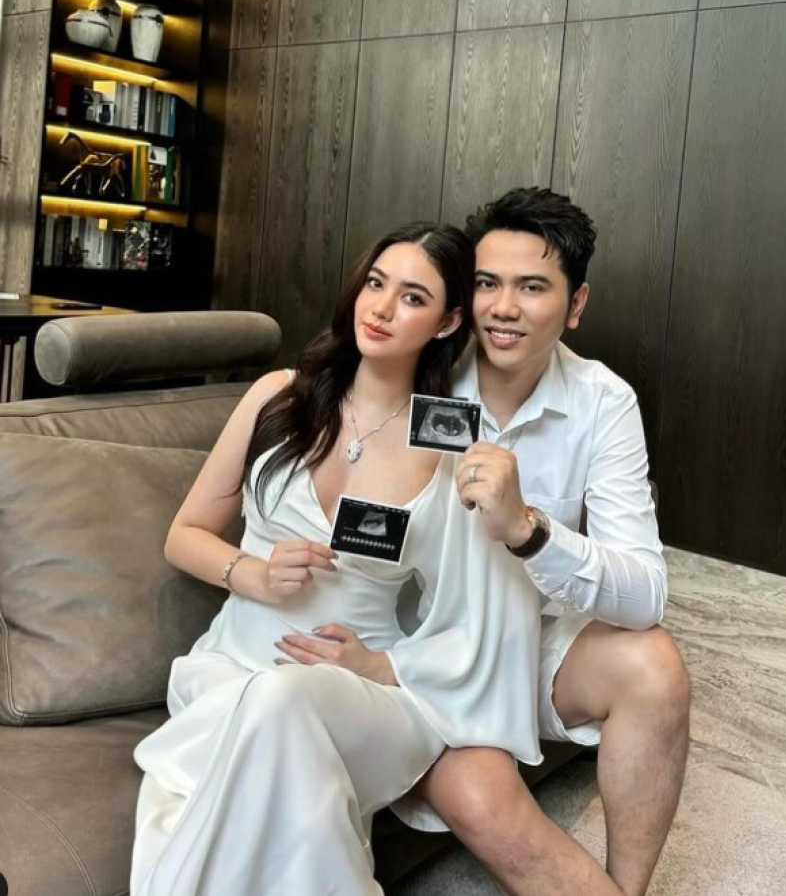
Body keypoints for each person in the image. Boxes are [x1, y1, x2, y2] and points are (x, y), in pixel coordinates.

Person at [280, 188, 691, 896]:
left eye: (532, 287)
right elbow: (350, 538)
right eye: (486, 284)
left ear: (576, 303)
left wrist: (529, 530)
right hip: (423, 662)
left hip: (535, 650)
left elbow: (645, 594)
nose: (503, 308)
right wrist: (378, 661)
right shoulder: (417, 378)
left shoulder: (602, 400)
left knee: (656, 667)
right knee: (494, 814)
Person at [129, 221, 554, 896]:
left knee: (285, 699)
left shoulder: (449, 438)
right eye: (375, 284)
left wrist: (383, 665)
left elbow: (485, 607)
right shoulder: (279, 396)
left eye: (412, 298)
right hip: (230, 670)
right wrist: (254, 574)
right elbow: (184, 533)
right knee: (272, 705)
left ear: (447, 322)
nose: (381, 308)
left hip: (364, 697)